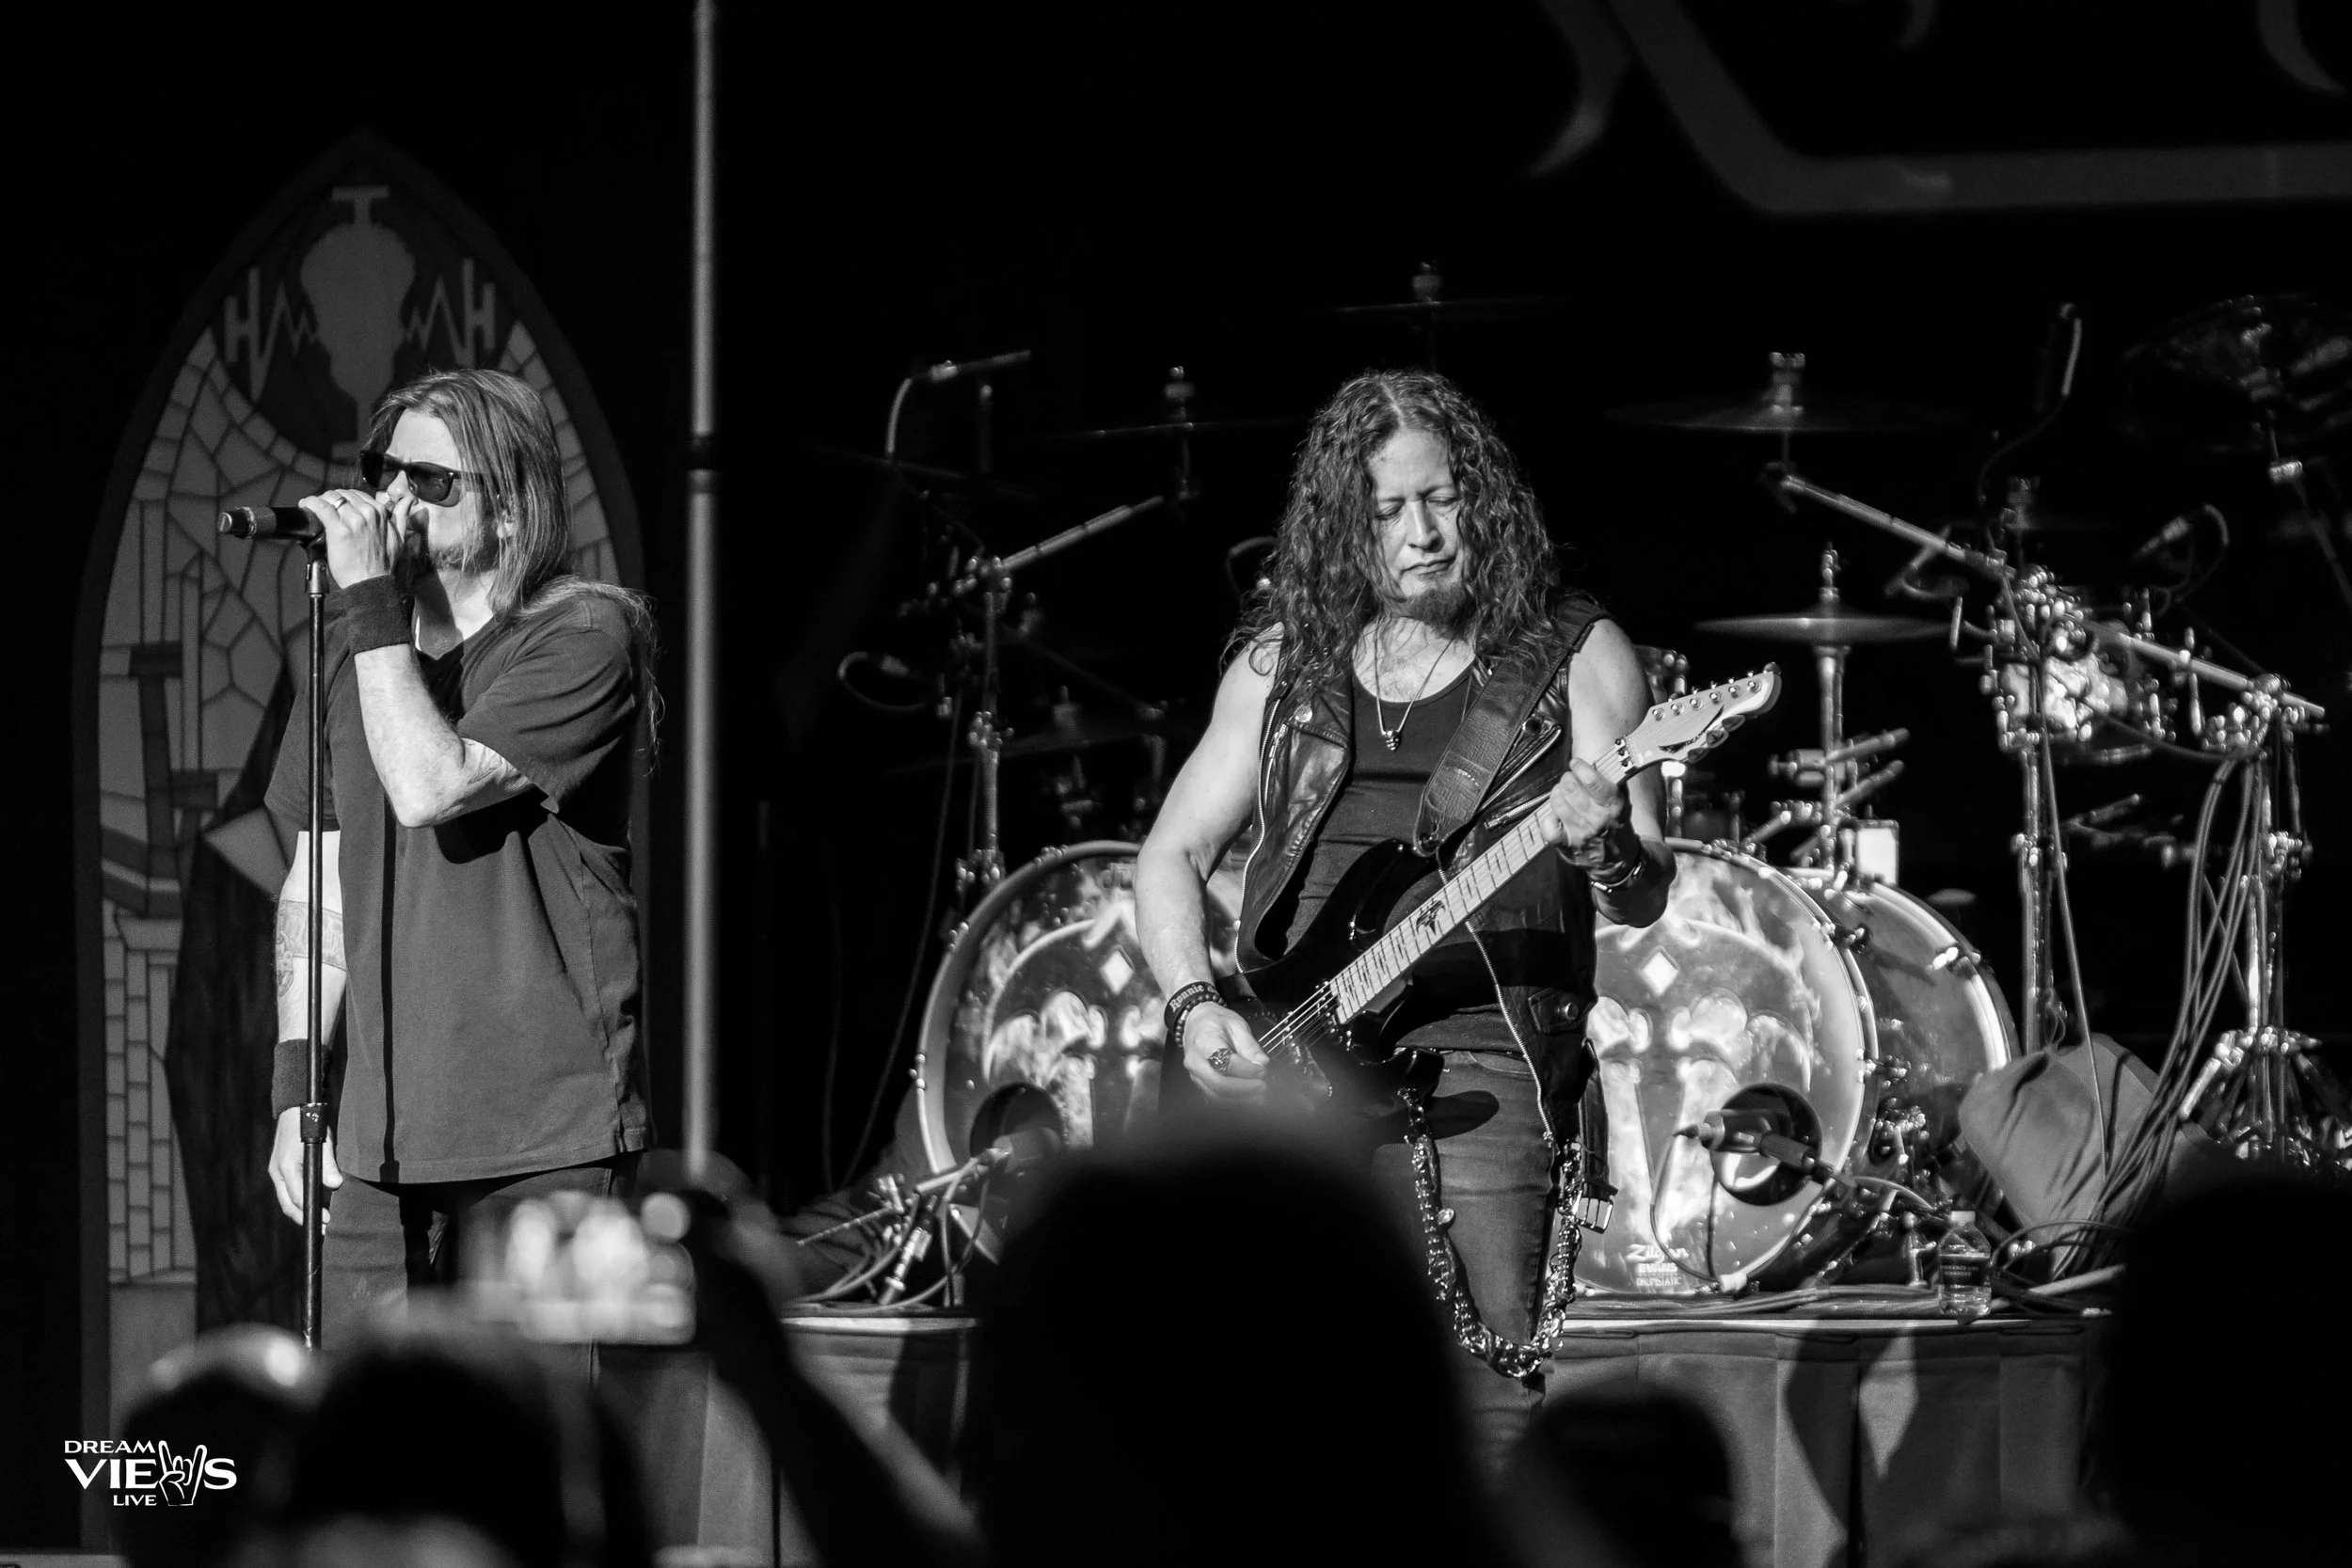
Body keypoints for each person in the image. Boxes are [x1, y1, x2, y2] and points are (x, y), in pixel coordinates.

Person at [1134, 368, 1672, 1468]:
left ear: (1485, 501)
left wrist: (1601, 840)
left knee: (1480, 1412)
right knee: (1276, 1415)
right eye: (1386, 511)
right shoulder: (1283, 664)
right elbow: (1171, 854)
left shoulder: (1577, 654)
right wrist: (1193, 1006)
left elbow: (1643, 888)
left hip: (1486, 1058)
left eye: (1441, 499)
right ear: (1346, 526)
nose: (1420, 534)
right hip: (1289, 1061)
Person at [262, 368, 658, 1344]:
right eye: (383, 470)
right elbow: (320, 890)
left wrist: (368, 597)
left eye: (431, 481)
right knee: (363, 1429)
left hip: (548, 1146)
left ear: (511, 509)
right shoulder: (353, 658)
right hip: (382, 1147)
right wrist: (293, 1094)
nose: (394, 497)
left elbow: (431, 785)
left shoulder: (581, 636)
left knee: (536, 1437)